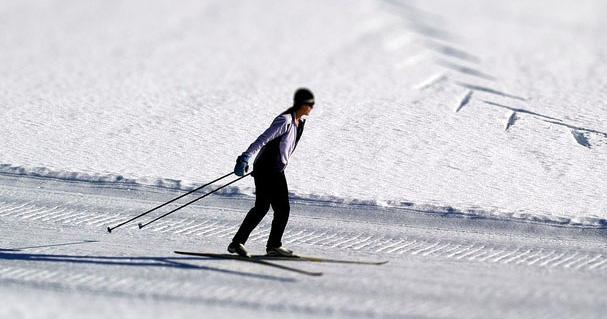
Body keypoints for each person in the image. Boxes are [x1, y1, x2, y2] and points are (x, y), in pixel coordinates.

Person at [229, 88, 315, 257]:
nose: (311, 107)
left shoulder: (299, 123)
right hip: (267, 169)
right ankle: (254, 244)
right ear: (300, 104)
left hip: (276, 169)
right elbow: (263, 139)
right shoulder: (285, 121)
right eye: (309, 104)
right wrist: (245, 157)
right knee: (272, 208)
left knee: (271, 208)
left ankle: (263, 245)